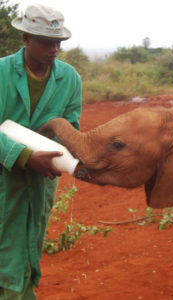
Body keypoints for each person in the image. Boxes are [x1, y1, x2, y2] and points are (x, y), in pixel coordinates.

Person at [0, 4, 82, 299]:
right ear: (26, 39)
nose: (55, 48)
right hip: (3, 178)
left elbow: (70, 126)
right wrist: (24, 156)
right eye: (47, 41)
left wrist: (67, 158)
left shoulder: (70, 79)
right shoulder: (1, 73)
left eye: (58, 42)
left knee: (29, 244)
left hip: (41, 180)